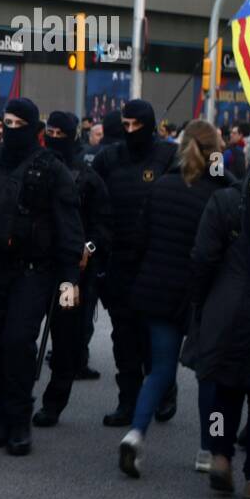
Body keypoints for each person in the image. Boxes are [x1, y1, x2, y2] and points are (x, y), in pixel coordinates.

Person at [117, 121, 232, 477]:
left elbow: (141, 239)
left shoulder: (163, 186)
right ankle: (208, 448)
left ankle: (136, 433)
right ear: (215, 151)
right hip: (202, 294)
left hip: (158, 289)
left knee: (159, 370)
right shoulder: (219, 192)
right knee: (208, 377)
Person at [0, 99, 83, 455]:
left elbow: (69, 227)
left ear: (33, 128)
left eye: (19, 123)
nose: (10, 129)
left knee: (19, 341)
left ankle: (19, 421)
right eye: (6, 122)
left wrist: (69, 280)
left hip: (34, 271)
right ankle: (3, 413)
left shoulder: (52, 169)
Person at [190, 130, 250, 499]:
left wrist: (203, 300)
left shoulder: (225, 200)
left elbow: (203, 258)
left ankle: (221, 455)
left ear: (248, 158)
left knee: (224, 390)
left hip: (229, 305)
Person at [92, 99, 178, 426]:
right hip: (119, 260)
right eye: (124, 125)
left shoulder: (170, 155)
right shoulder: (108, 157)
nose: (130, 132)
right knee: (124, 338)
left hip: (157, 261)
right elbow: (86, 191)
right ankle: (128, 400)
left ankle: (164, 391)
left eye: (136, 126)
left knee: (153, 336)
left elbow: (210, 172)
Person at [35, 110, 110, 425]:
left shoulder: (88, 177)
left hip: (72, 273)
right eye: (48, 132)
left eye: (59, 134)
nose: (53, 139)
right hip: (35, 266)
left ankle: (54, 402)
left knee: (66, 339)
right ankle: (13, 399)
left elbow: (102, 227)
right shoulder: (36, 167)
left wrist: (88, 249)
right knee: (19, 334)